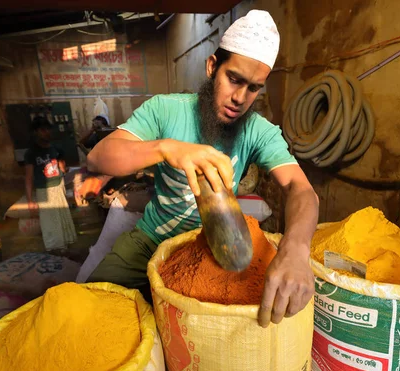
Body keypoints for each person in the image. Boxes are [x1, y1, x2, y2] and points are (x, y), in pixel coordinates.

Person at [86, 10, 318, 328]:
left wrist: (296, 248)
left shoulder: (259, 131)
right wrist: (166, 148)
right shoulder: (165, 110)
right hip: (150, 240)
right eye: (233, 79)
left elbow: (299, 188)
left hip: (211, 247)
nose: (239, 97)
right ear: (212, 67)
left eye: (253, 88)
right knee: (90, 307)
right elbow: (98, 158)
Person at [25, 116, 77, 252]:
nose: (47, 132)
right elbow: (29, 177)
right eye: (43, 130)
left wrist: (65, 171)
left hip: (59, 187)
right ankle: (54, 249)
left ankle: (65, 246)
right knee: (50, 222)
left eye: (48, 129)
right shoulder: (31, 153)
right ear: (36, 132)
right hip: (44, 191)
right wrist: (30, 200)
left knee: (62, 217)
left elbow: (62, 167)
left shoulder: (56, 149)